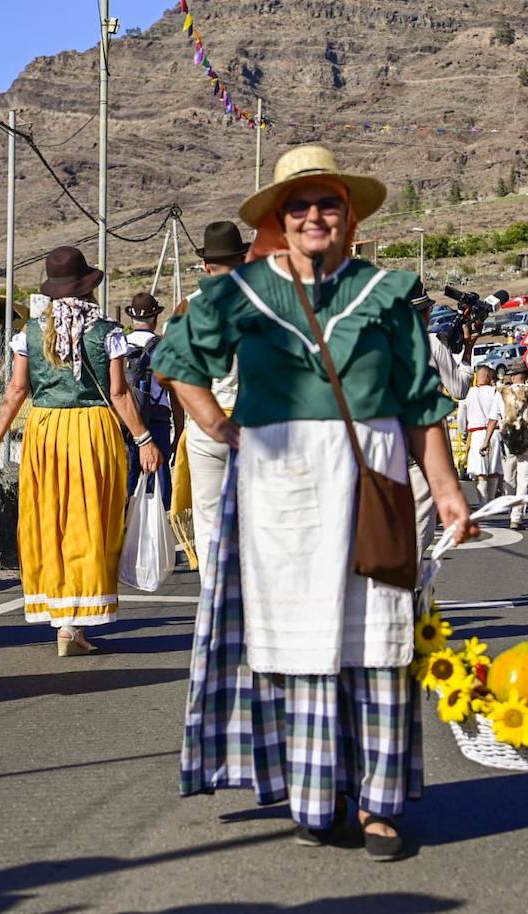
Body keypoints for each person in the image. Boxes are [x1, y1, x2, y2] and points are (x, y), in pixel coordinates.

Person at [154, 145, 477, 858]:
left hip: (374, 480)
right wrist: (217, 424)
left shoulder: (388, 294)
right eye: (297, 205)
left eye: (327, 203)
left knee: (378, 643)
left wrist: (448, 491)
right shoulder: (238, 293)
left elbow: (422, 402)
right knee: (302, 645)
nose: (313, 216)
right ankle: (318, 795)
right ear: (278, 218)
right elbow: (177, 362)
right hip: (282, 491)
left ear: (349, 213)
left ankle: (379, 807)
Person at [0, 246, 163, 656]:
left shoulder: (30, 334)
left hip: (44, 430)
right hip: (92, 431)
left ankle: (63, 623)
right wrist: (145, 439)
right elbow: (118, 392)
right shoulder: (107, 333)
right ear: (88, 288)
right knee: (89, 519)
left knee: (49, 520)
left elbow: (16, 391)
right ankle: (76, 621)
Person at [170, 220, 250, 572]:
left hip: (205, 423)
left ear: (206, 265)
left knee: (208, 517)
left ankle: (214, 596)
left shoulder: (188, 307)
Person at [410, 288, 475, 560]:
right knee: (419, 521)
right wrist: (468, 349)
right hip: (421, 443)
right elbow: (459, 389)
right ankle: (405, 590)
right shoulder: (431, 344)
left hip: (378, 444)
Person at [483, 364, 528, 530]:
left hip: (508, 440)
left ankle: (510, 505)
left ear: (512, 377)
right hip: (527, 439)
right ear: (525, 376)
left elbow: (492, 419)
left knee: (509, 478)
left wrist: (486, 441)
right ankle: (516, 518)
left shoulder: (502, 394)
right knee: (524, 481)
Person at [124, 292, 173, 507]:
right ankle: (160, 521)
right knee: (159, 474)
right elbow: (174, 388)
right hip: (157, 417)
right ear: (155, 319)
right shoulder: (163, 347)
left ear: (132, 319)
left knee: (130, 472)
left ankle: (126, 520)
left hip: (128, 418)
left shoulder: (121, 344)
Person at [458, 365, 502, 504]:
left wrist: (463, 433)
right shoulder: (495, 392)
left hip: (477, 434)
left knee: (480, 471)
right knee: (494, 469)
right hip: (495, 433)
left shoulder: (467, 393)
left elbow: (461, 417)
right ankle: (490, 501)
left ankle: (483, 503)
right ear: (489, 377)